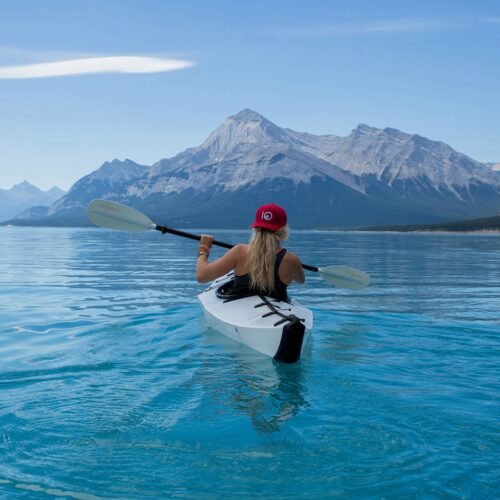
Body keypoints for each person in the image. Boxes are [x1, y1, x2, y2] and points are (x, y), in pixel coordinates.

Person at [196, 203, 305, 301]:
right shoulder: (292, 260)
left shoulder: (239, 251)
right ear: (283, 231)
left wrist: (204, 249)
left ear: (256, 228)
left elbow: (202, 276)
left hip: (238, 309)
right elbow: (301, 280)